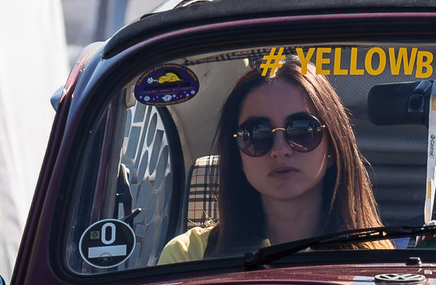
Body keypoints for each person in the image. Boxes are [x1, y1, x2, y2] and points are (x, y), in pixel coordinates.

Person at [159, 62, 383, 262]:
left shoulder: (378, 260)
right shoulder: (186, 258)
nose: (280, 150)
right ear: (237, 156)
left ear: (334, 147)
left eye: (302, 131)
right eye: (257, 135)